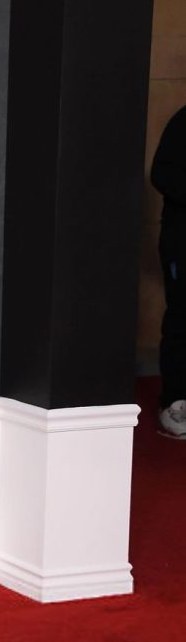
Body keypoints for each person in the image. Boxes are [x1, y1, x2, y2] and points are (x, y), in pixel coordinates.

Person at [150, 105, 186, 438]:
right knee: (182, 319)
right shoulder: (184, 121)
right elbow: (162, 174)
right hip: (183, 241)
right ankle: (176, 401)